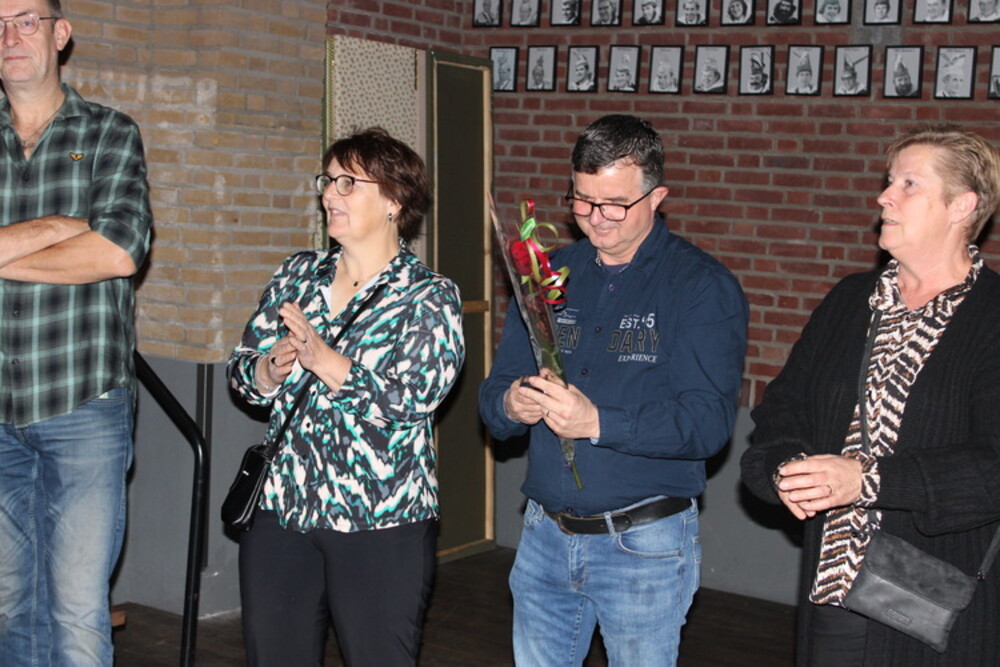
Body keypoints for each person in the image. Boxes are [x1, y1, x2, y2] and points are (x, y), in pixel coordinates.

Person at [479, 114, 748, 666]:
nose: (596, 217)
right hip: (544, 535)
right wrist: (511, 403)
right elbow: (494, 397)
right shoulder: (547, 274)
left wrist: (596, 422)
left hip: (642, 545)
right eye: (583, 200)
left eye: (615, 204)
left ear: (657, 198)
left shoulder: (701, 286)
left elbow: (707, 424)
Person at [741, 124, 1000, 666]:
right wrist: (786, 469)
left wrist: (867, 480)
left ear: (962, 206)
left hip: (938, 603)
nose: (884, 196)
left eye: (909, 184)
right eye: (889, 181)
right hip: (836, 586)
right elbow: (782, 411)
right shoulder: (850, 300)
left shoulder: (992, 317)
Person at [229, 128, 465, 666]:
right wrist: (269, 369)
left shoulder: (428, 296)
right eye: (328, 181)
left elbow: (412, 401)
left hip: (379, 520)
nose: (330, 194)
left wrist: (324, 359)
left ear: (394, 200)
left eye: (348, 183)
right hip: (283, 509)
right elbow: (242, 372)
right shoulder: (297, 273)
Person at [0, 1, 152, 665]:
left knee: (78, 613)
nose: (10, 36)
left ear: (60, 34)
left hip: (83, 404)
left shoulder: (110, 132)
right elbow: (91, 240)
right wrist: (63, 226)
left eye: (25, 20)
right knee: (12, 608)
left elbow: (117, 251)